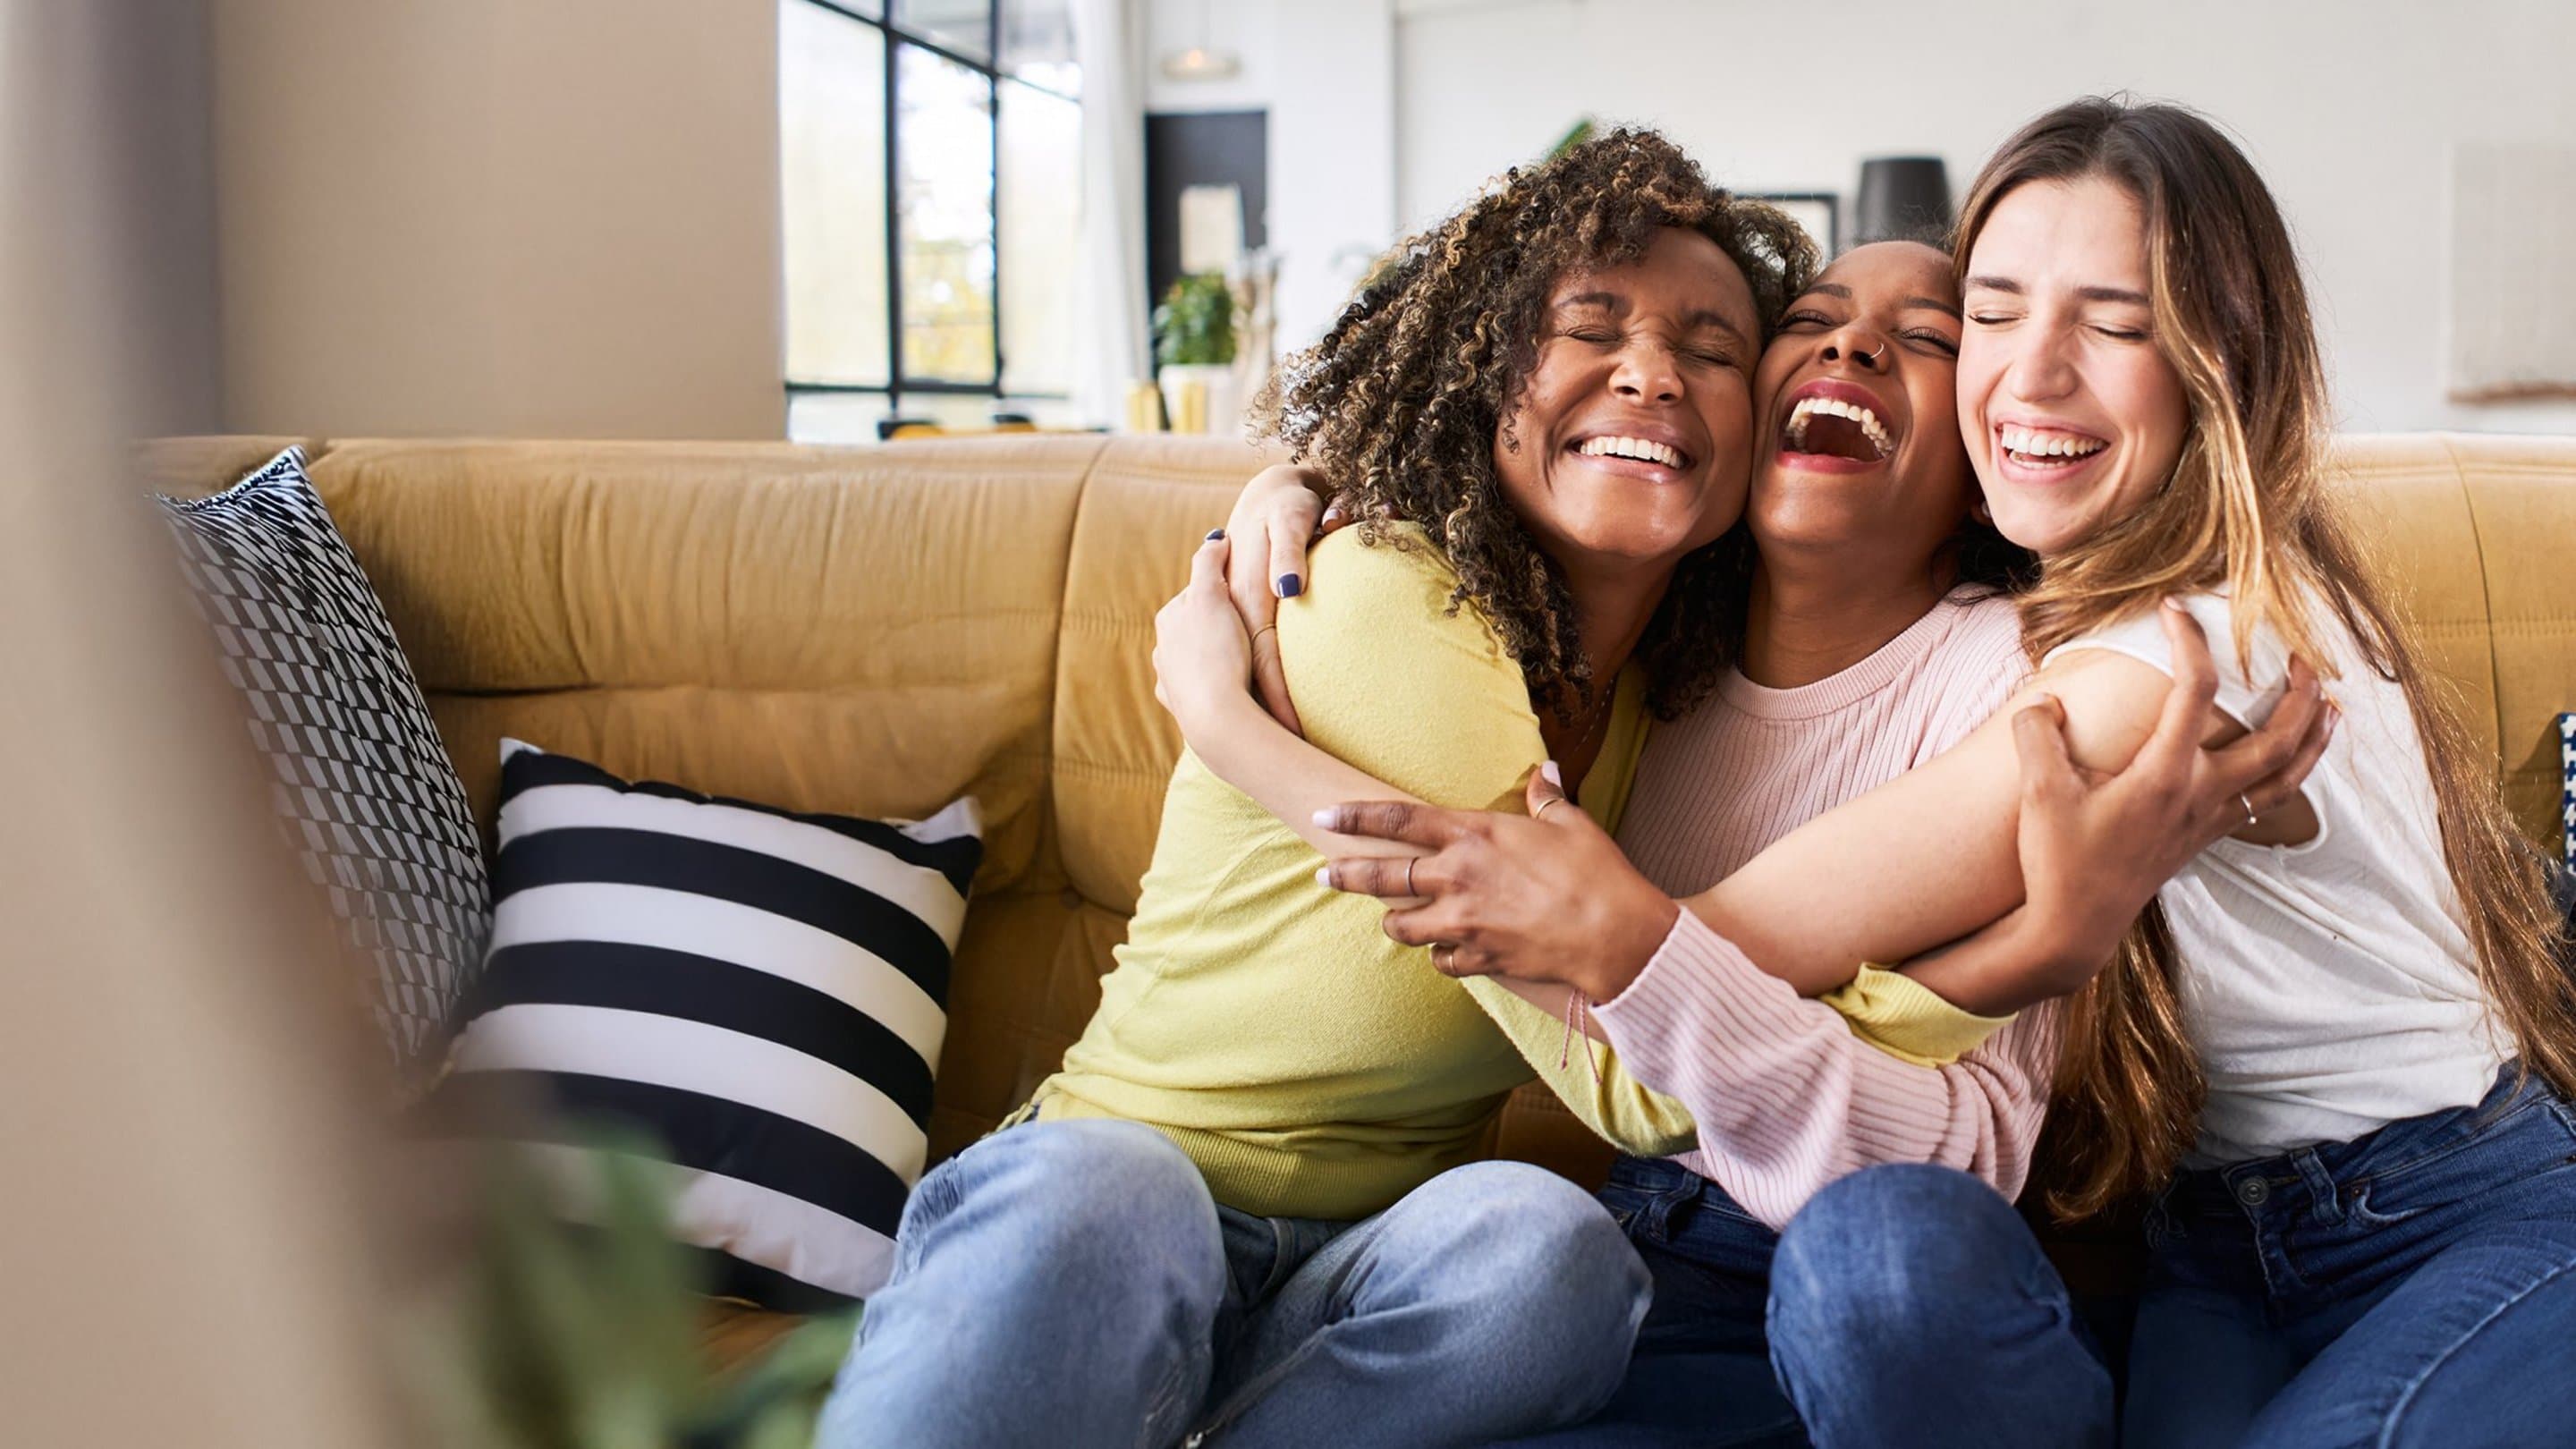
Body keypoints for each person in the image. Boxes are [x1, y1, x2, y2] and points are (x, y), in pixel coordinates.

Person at [1246, 97, 2576, 1448]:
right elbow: (1546, 470)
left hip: (2453, 1201)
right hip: (2212, 1258)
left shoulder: (2180, 650)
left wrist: (1260, 744)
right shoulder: (1704, 624)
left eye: (2112, 324)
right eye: (1995, 314)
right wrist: (1306, 479)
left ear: (2219, 362)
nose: (2034, 374)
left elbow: (1702, 945)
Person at [819, 130, 1996, 1449]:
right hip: (1108, 1211)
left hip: (1358, 1268)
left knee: (1552, 1254)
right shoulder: (1388, 592)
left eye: (1713, 348)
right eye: (1589, 327)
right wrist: (2019, 944)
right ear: (1478, 378)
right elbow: (1630, 1079)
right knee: (1114, 1196)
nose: (1654, 371)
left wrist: (1241, 676)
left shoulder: (1679, 685)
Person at [1171, 233, 2329, 1445]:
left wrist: (1227, 725)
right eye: (1811, 317)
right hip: (1653, 1280)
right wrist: (1296, 478)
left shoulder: (2030, 681)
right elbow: (1485, 437)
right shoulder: (1635, 668)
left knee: (1877, 1254)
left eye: (1928, 338)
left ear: (1990, 451)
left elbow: (1965, 1149)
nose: (1851, 341)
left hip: (1904, 1286)